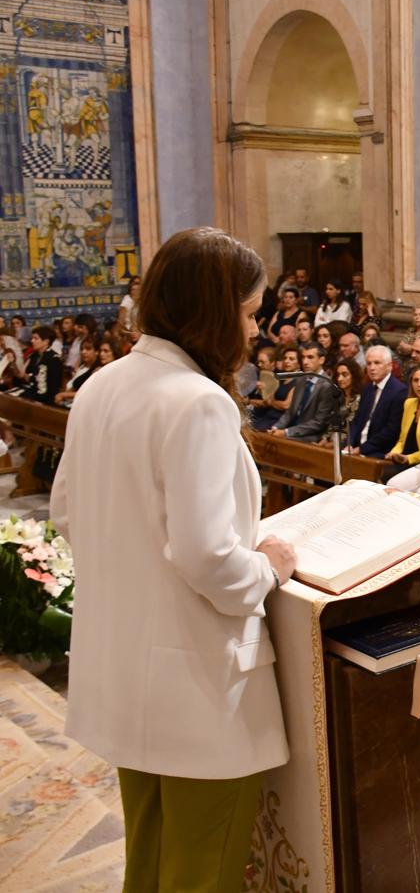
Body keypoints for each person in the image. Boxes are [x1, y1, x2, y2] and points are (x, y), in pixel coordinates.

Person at [50, 227, 296, 893]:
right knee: (202, 872)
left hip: (128, 672)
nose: (253, 331)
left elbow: (67, 515)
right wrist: (268, 567)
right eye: (248, 313)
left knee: (152, 863)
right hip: (197, 690)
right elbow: (208, 556)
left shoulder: (104, 385)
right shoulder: (198, 403)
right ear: (214, 311)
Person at [348, 344, 408, 459]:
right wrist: (349, 444)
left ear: (389, 366)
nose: (372, 368)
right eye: (369, 363)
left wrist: (361, 449)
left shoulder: (399, 392)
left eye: (377, 363)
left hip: (379, 451)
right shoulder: (367, 388)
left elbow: (391, 431)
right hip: (357, 447)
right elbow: (356, 421)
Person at [269, 344, 336, 442]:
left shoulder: (327, 385)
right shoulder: (301, 379)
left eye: (310, 357)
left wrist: (286, 432)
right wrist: (276, 427)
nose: (305, 362)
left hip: (311, 435)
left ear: (321, 360)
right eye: (303, 357)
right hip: (292, 430)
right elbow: (290, 412)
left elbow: (318, 423)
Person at [21, 325, 62, 404]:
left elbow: (53, 387)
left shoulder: (53, 359)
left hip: (44, 397)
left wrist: (31, 377)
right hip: (31, 391)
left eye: (36, 338)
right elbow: (25, 375)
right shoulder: (34, 356)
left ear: (46, 341)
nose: (32, 341)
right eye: (32, 338)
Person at [53, 337, 97, 407]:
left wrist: (63, 395)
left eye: (88, 349)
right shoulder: (81, 366)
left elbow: (87, 393)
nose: (83, 352)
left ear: (96, 352)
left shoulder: (96, 370)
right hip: (66, 403)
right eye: (82, 349)